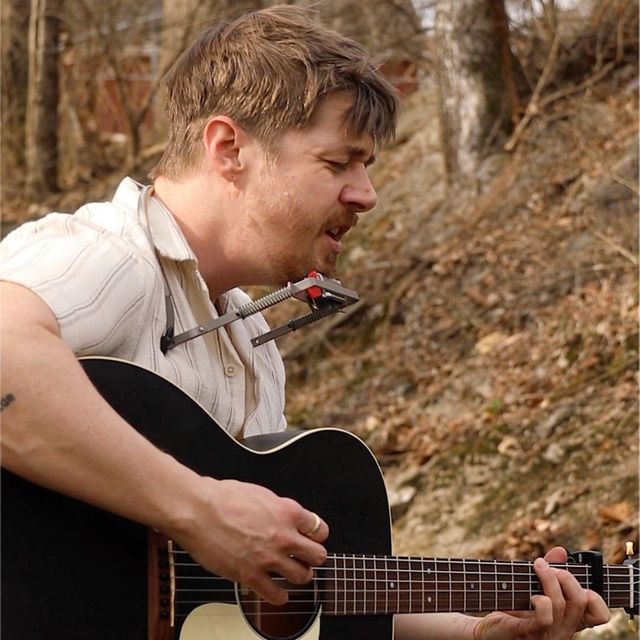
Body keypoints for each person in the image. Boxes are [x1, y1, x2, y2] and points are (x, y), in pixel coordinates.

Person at [0, 5, 609, 639]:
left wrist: (480, 634)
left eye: (366, 167)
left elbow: (291, 590)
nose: (367, 193)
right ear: (229, 149)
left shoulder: (252, 347)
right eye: (338, 163)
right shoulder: (109, 257)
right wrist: (199, 510)